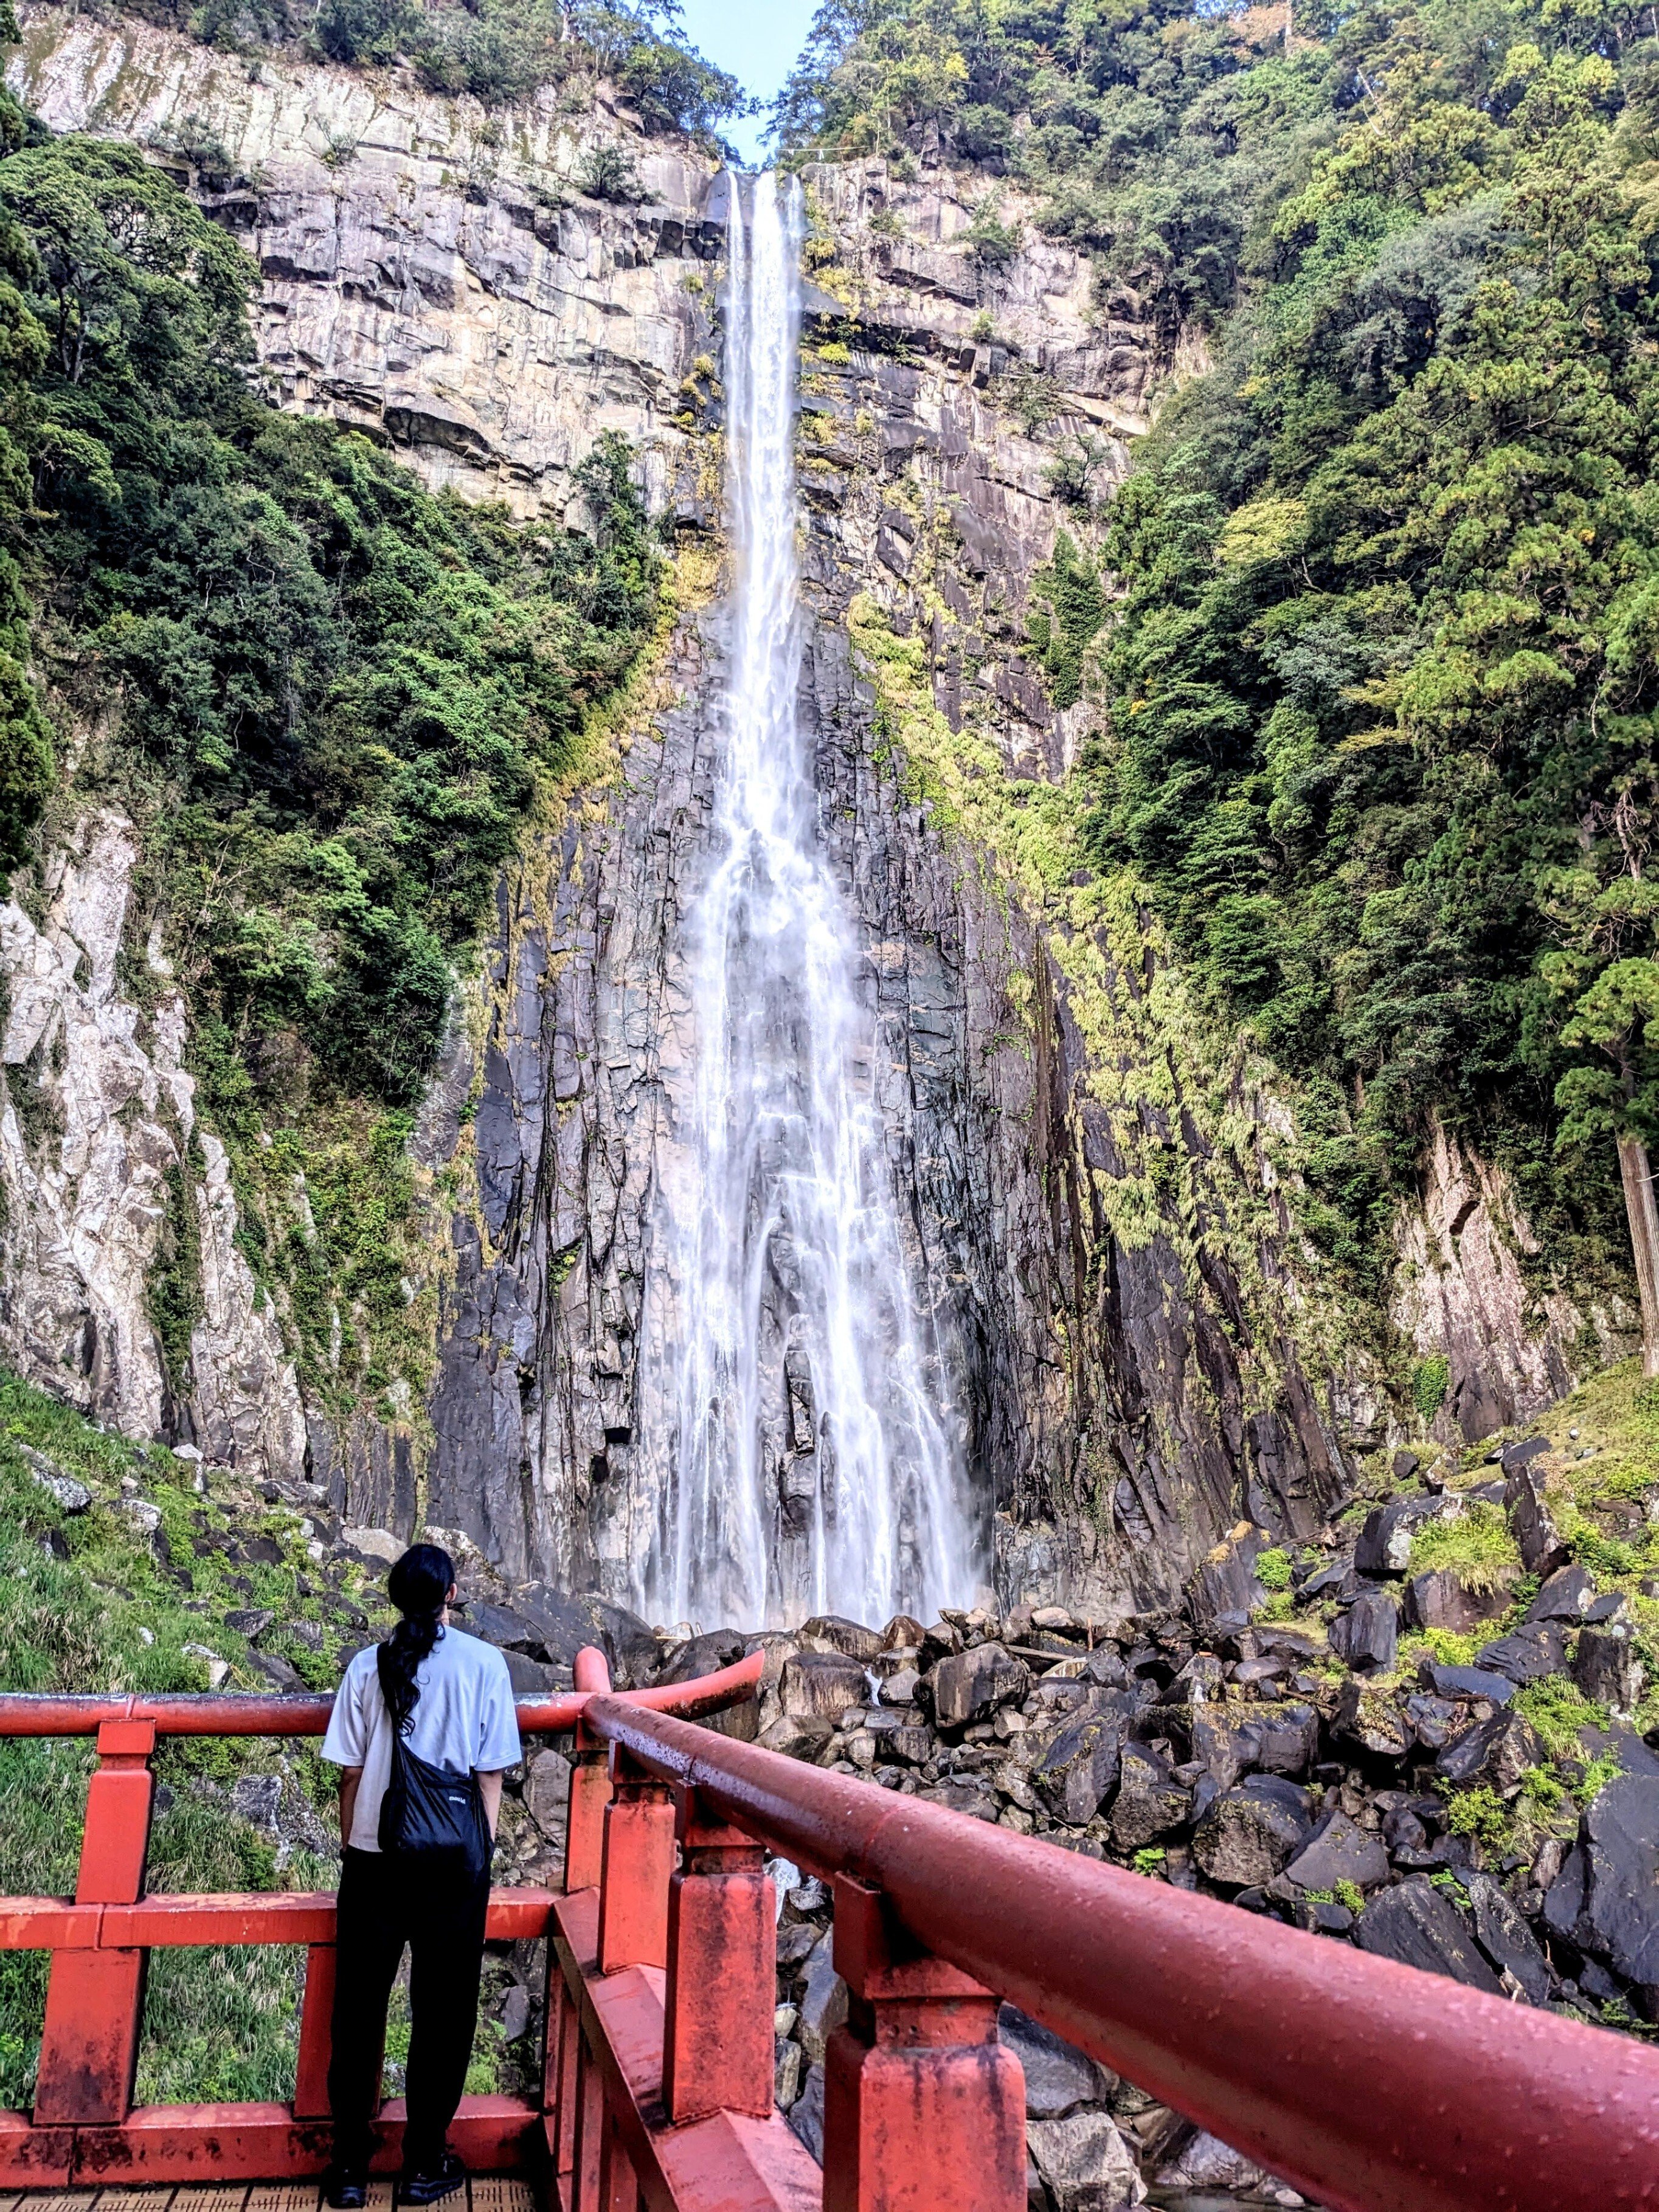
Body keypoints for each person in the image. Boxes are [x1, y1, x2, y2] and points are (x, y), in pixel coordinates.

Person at [320, 1543, 521, 2209]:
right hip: (452, 1868)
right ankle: (423, 2162)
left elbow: (349, 1770)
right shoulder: (485, 1664)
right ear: (452, 1593)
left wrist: (358, 1844)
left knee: (358, 2013)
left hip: (375, 1863)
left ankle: (349, 2165)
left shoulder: (364, 1666)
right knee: (442, 2015)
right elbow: (490, 1771)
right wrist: (481, 1849)